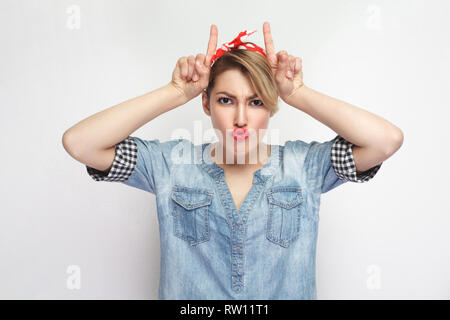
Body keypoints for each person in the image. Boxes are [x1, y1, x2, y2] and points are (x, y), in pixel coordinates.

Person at [62, 22, 402, 299]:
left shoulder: (306, 167)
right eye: (226, 100)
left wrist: (298, 93)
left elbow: (385, 141)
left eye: (256, 103)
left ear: (271, 106)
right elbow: (80, 143)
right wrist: (175, 92)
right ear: (207, 105)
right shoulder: (171, 165)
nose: (241, 118)